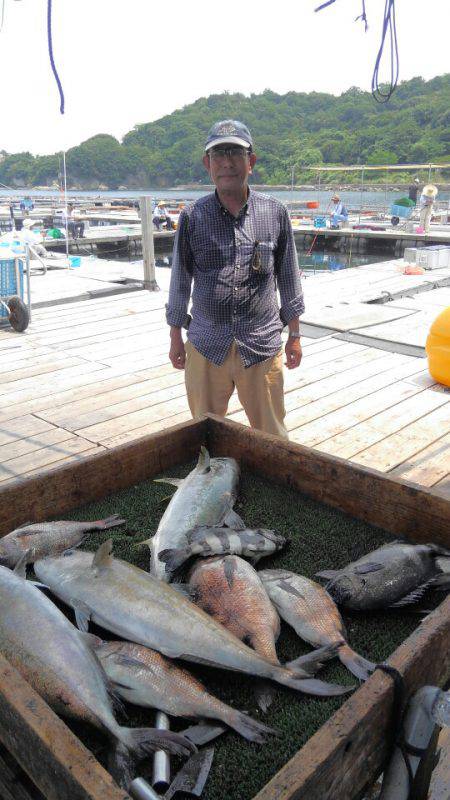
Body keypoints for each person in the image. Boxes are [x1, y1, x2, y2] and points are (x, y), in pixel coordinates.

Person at [166, 119, 304, 440]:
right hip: (205, 344)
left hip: (261, 344)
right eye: (218, 154)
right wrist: (175, 335)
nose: (227, 162)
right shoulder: (192, 216)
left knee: (272, 435)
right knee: (203, 434)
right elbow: (179, 281)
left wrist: (294, 334)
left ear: (251, 162)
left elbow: (288, 278)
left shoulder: (275, 213)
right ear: (207, 164)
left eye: (235, 153)